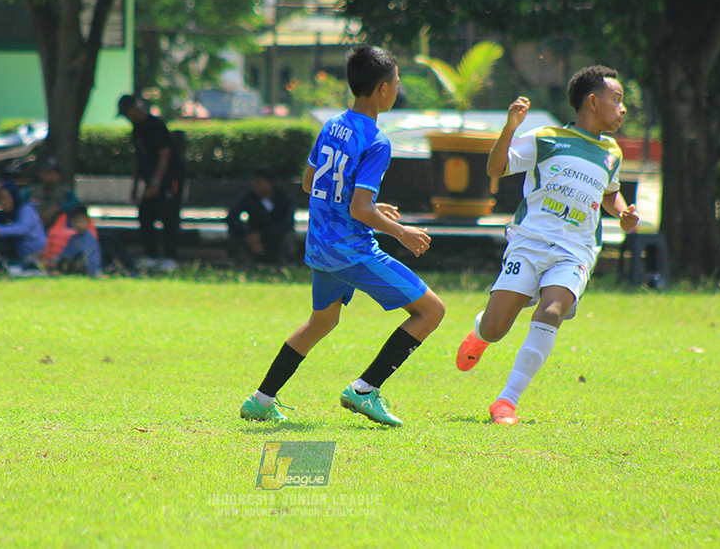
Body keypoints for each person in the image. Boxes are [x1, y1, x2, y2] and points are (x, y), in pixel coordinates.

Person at [239, 46, 445, 427]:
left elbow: (309, 182)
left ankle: (261, 399)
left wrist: (372, 209)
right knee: (432, 311)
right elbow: (358, 210)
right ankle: (365, 389)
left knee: (321, 323)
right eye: (396, 84)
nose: (397, 90)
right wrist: (400, 232)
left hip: (320, 246)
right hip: (351, 250)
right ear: (383, 90)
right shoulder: (377, 140)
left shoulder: (332, 124)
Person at [455, 65, 641, 425]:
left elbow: (610, 193)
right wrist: (510, 129)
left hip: (577, 250)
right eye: (616, 100)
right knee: (497, 327)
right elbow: (496, 169)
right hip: (530, 242)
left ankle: (506, 402)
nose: (623, 109)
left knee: (551, 310)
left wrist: (622, 214)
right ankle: (481, 331)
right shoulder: (546, 137)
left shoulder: (612, 152)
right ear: (592, 101)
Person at [117, 94, 185, 272]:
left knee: (169, 216)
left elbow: (165, 154)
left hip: (171, 179)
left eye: (127, 113)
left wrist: (156, 182)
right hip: (150, 180)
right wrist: (135, 185)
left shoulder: (156, 126)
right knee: (145, 214)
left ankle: (171, 258)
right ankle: (151, 255)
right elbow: (138, 159)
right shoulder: (136, 130)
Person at [226, 166, 297, 266]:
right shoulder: (249, 198)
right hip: (253, 234)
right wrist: (247, 235)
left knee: (289, 236)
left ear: (269, 183)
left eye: (259, 182)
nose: (255, 185)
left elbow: (287, 222)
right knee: (234, 235)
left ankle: (284, 264)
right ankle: (245, 264)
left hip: (276, 235)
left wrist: (263, 235)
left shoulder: (283, 199)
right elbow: (232, 217)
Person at [0, 182, 47, 272]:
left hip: (35, 253)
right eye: (0, 199)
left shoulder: (26, 209)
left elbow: (23, 228)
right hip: (16, 255)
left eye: (6, 198)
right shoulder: (2, 215)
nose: (3, 202)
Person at [48, 205, 102, 278]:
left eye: (83, 221)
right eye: (78, 221)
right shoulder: (74, 238)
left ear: (88, 221)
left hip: (88, 268)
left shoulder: (89, 237)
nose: (80, 224)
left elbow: (82, 255)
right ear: (72, 222)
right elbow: (65, 254)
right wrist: (54, 262)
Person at [26, 156, 80, 230]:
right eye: (48, 173)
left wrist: (58, 208)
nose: (51, 177)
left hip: (59, 231)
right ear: (41, 174)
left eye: (54, 174)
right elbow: (20, 203)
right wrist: (35, 212)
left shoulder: (65, 192)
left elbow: (76, 204)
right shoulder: (31, 191)